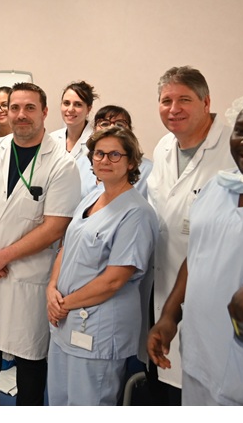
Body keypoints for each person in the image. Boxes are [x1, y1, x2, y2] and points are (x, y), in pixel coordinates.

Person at [148, 90, 243, 405]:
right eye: (241, 131)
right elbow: (198, 254)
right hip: (200, 356)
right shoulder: (219, 186)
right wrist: (168, 315)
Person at [0, 82, 80, 406]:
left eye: (29, 108)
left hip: (27, 270)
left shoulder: (62, 163)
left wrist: (4, 256)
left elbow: (56, 225)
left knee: (29, 349)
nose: (21, 115)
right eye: (15, 108)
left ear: (44, 112)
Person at [46, 126, 158, 405]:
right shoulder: (91, 197)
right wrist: (51, 289)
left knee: (89, 403)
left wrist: (64, 303)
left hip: (97, 328)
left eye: (114, 155)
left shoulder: (137, 213)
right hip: (65, 319)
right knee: (60, 399)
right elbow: (66, 246)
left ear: (131, 162)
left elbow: (114, 280)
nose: (105, 160)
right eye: (99, 154)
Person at [145, 66, 232, 401]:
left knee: (206, 385)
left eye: (184, 99)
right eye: (166, 100)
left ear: (206, 101)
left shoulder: (232, 151)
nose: (173, 108)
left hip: (210, 287)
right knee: (165, 381)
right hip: (163, 278)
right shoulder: (166, 146)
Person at [76, 105, 153, 198]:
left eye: (119, 124)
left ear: (130, 131)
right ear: (94, 129)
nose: (112, 128)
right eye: (104, 124)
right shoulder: (81, 164)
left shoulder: (148, 170)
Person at [50, 81, 98, 161]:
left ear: (88, 109)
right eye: (66, 103)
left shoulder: (96, 141)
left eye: (78, 104)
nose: (70, 109)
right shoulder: (52, 139)